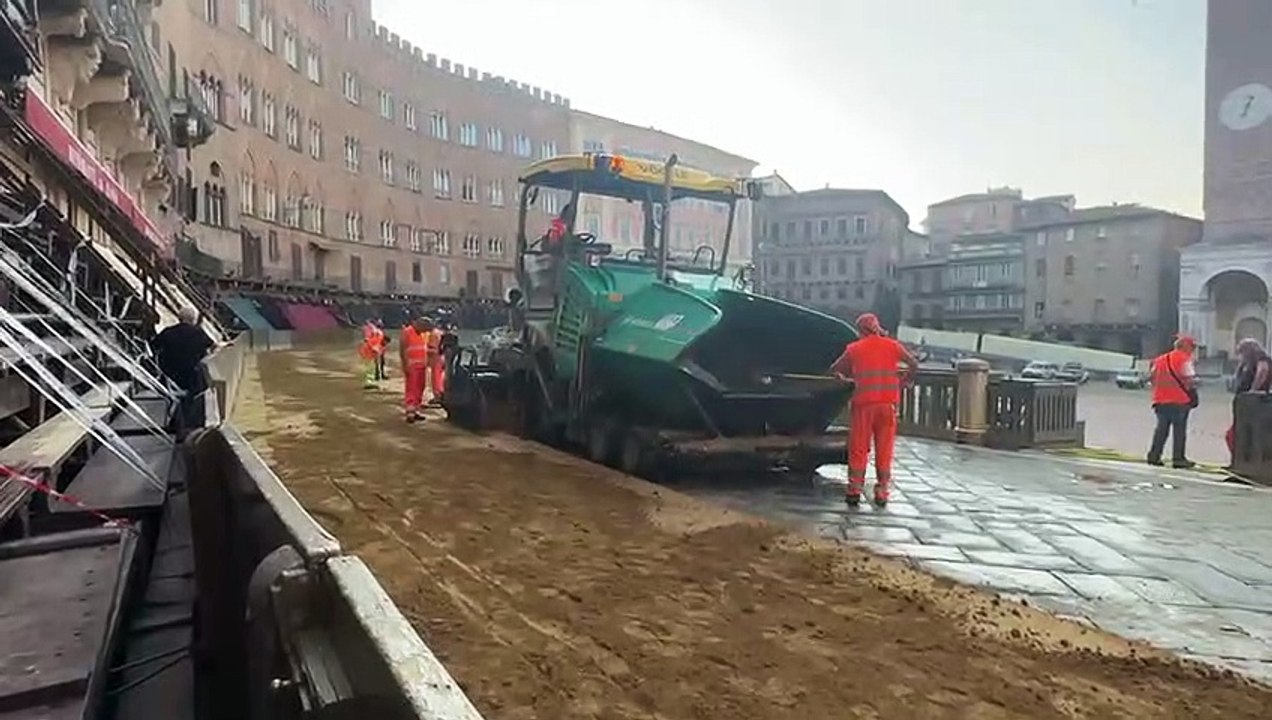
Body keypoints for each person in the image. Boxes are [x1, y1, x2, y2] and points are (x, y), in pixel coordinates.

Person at [828, 313, 918, 507]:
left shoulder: (854, 349)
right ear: (877, 327)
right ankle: (882, 491)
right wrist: (904, 381)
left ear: (860, 330)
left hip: (864, 405)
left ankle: (854, 490)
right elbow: (913, 364)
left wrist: (846, 380)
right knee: (884, 448)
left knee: (859, 448)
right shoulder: (892, 346)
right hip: (887, 405)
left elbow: (835, 369)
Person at [151, 306, 216, 438]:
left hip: (170, 379)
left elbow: (153, 347)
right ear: (193, 319)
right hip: (192, 379)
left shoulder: (168, 332)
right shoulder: (198, 333)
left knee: (179, 394)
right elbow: (213, 347)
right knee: (203, 386)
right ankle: (194, 424)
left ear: (179, 318)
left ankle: (177, 421)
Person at [1147, 335, 1198, 469]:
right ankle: (1178, 459)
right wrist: (1193, 396)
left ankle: (1154, 456)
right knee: (1179, 431)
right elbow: (1189, 381)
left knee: (1161, 430)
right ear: (1186, 346)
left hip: (1160, 401)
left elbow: (1151, 378)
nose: (1193, 350)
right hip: (1179, 401)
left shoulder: (1159, 360)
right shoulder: (1185, 360)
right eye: (1192, 347)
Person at [1225, 338, 1271, 458]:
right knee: (1238, 432)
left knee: (1244, 432)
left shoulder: (1262, 359)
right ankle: (1239, 458)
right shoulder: (1247, 362)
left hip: (1253, 401)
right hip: (1243, 400)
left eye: (1242, 351)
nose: (1241, 355)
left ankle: (1245, 460)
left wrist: (1253, 390)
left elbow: (1262, 372)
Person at [400, 316, 434, 422]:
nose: (425, 331)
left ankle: (416, 409)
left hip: (421, 365)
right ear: (421, 325)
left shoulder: (424, 334)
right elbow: (403, 350)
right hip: (411, 366)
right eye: (425, 329)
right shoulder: (407, 332)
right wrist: (405, 365)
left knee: (420, 387)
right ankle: (410, 411)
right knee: (411, 388)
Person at [358, 321, 386, 389]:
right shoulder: (378, 335)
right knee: (370, 368)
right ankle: (369, 382)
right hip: (368, 353)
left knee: (371, 368)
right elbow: (371, 343)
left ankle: (371, 381)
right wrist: (375, 349)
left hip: (369, 353)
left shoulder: (377, 333)